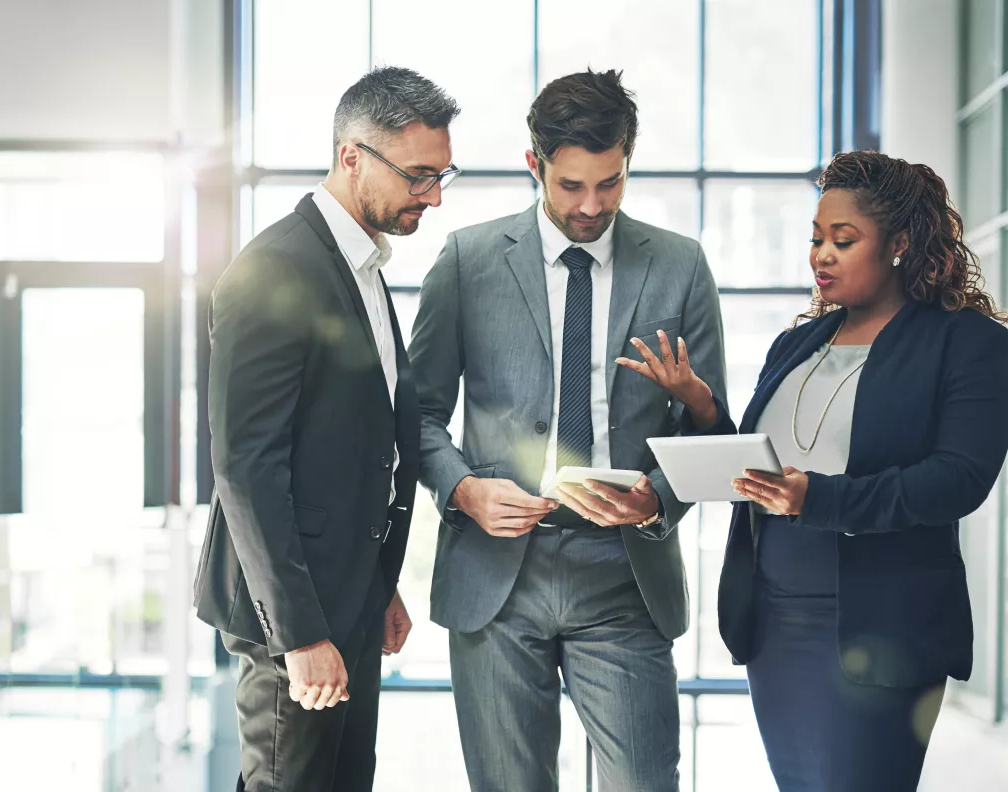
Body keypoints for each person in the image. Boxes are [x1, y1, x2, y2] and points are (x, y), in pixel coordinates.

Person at [616, 150, 1008, 791]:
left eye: (843, 240)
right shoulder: (796, 344)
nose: (820, 255)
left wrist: (817, 500)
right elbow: (751, 469)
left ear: (901, 243)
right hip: (775, 625)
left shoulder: (968, 343)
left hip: (882, 629)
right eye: (816, 239)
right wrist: (700, 403)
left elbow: (958, 481)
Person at [408, 68, 727, 792]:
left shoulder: (680, 268)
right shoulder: (467, 261)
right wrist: (463, 491)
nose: (591, 206)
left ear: (628, 161)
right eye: (571, 186)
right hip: (496, 571)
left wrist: (659, 499)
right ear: (535, 165)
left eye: (610, 184)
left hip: (624, 574)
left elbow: (712, 428)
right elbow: (419, 416)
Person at [193, 66, 460, 792]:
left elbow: (362, 444)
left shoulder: (362, 264)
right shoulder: (272, 270)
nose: (433, 195)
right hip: (294, 618)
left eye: (443, 174)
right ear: (353, 157)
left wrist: (379, 585)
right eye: (419, 176)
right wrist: (301, 635)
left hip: (348, 599)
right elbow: (246, 467)